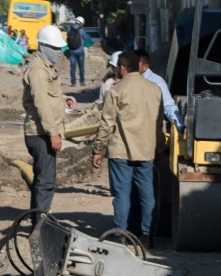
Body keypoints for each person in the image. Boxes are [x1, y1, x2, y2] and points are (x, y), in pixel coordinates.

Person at [92, 50, 163, 240]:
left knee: (122, 195)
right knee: (147, 195)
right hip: (146, 151)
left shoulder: (116, 90)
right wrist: (160, 148)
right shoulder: (155, 89)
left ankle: (121, 236)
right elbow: (158, 124)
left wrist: (98, 150)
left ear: (122, 67)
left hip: (120, 152)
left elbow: (106, 124)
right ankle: (148, 236)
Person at [21, 23, 67, 223]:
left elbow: (49, 97)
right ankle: (39, 225)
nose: (59, 52)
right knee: (45, 182)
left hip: (43, 133)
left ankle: (40, 222)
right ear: (43, 46)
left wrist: (64, 100)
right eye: (55, 48)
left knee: (45, 181)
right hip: (41, 134)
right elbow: (41, 104)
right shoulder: (38, 70)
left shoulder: (45, 67)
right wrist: (53, 133)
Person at [133, 49, 183, 130]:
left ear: (145, 67)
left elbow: (168, 106)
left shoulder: (157, 82)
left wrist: (179, 126)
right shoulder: (130, 80)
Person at [65, 17, 86, 86]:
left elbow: (67, 37)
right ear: (81, 23)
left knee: (73, 67)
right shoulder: (81, 30)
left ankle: (73, 83)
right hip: (80, 51)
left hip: (71, 51)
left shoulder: (69, 29)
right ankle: (82, 82)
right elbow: (85, 38)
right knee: (81, 67)